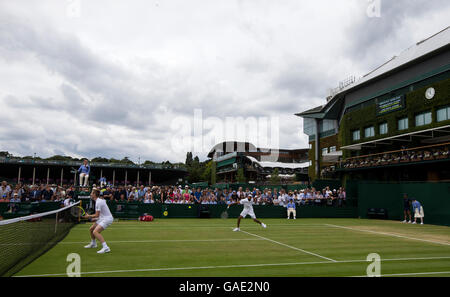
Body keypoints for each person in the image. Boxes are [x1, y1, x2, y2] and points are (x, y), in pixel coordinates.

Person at [83, 189, 113, 254]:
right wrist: (94, 219)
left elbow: (97, 215)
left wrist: (89, 216)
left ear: (94, 194)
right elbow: (98, 215)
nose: (90, 194)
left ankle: (106, 248)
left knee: (95, 232)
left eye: (91, 193)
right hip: (102, 218)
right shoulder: (98, 201)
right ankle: (93, 244)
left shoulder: (98, 202)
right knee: (91, 229)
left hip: (107, 219)